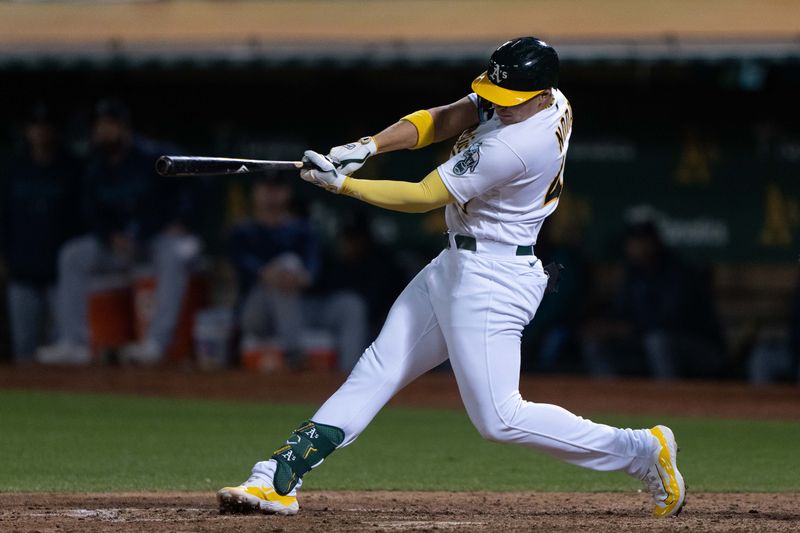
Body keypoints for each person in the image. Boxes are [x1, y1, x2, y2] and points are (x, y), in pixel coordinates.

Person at [217, 37, 685, 518]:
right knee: (378, 369)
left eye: (511, 102)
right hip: (456, 263)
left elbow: (424, 195)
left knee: (499, 419)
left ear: (544, 95)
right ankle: (277, 475)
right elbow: (446, 117)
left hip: (492, 278)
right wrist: (369, 145)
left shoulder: (519, 144)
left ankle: (640, 450)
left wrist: (344, 184)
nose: (498, 108)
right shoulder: (541, 97)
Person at [36, 99, 201, 365]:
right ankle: (74, 343)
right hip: (117, 245)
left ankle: (156, 344)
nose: (105, 131)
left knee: (174, 253)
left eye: (111, 125)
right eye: (101, 125)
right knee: (73, 254)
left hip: (153, 239)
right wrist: (109, 235)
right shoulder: (95, 166)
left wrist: (181, 219)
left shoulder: (153, 156)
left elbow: (190, 186)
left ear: (124, 127)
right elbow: (90, 211)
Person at [228, 176, 368, 371]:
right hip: (258, 313)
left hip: (300, 307)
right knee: (284, 269)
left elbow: (313, 271)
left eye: (277, 188)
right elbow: (245, 267)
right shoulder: (242, 232)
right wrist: (268, 273)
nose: (271, 195)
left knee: (351, 305)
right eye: (266, 188)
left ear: (287, 193)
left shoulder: (303, 230)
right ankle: (295, 357)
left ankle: (351, 376)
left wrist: (302, 276)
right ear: (255, 192)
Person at [582, 221, 724, 379]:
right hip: (646, 345)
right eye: (632, 242)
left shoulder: (678, 273)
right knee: (597, 344)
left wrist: (627, 329)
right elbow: (620, 312)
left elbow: (669, 321)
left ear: (654, 243)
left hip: (699, 349)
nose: (634, 248)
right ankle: (610, 400)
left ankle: (670, 400)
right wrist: (608, 327)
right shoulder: (633, 274)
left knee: (658, 342)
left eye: (640, 242)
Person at [0, 104, 82, 362]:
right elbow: (3, 218)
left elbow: (82, 219)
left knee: (64, 348)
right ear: (27, 131)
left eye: (46, 127)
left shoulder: (71, 169)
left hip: (61, 276)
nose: (40, 133)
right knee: (24, 348)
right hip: (22, 272)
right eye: (35, 127)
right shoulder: (15, 170)